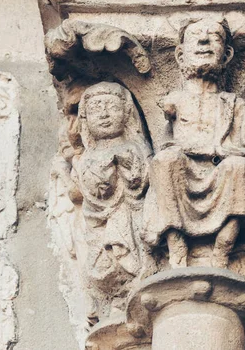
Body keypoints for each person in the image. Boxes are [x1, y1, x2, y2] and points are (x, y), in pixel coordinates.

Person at [143, 18, 245, 268]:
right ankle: (176, 246)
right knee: (165, 160)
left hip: (221, 171)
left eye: (214, 36)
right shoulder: (175, 99)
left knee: (241, 167)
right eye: (195, 36)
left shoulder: (231, 101)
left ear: (227, 55)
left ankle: (223, 248)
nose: (204, 41)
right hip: (183, 171)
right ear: (180, 55)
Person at [72, 82, 152, 317]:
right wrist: (105, 170)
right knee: (104, 267)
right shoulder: (87, 157)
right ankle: (116, 301)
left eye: (112, 107)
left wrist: (130, 169)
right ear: (85, 119)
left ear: (127, 113)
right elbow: (95, 192)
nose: (105, 114)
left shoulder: (136, 147)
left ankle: (133, 293)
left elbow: (144, 179)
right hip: (101, 222)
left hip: (134, 217)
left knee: (134, 262)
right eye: (97, 109)